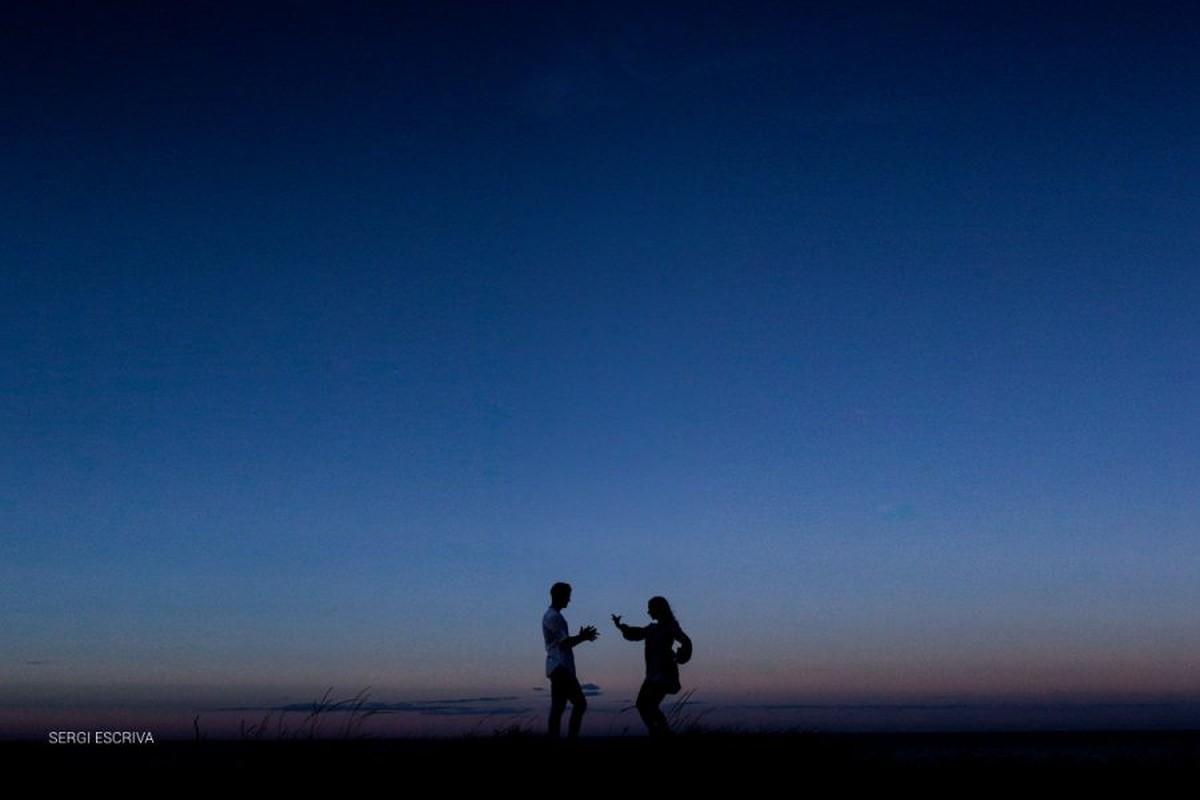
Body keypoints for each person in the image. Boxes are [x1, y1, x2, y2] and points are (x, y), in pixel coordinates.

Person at [612, 596, 692, 736]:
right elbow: (636, 633)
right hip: (652, 675)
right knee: (644, 705)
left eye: (650, 609)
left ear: (658, 609)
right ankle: (659, 732)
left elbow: (685, 641)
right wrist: (620, 626)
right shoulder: (652, 628)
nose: (648, 612)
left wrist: (681, 655)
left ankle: (661, 733)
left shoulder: (671, 626)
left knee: (648, 705)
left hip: (664, 674)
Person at [543, 581, 598, 738]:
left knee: (558, 708)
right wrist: (583, 637)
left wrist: (581, 637)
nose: (569, 600)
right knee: (580, 704)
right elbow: (564, 643)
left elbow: (563, 643)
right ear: (560, 596)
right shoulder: (554, 617)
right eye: (567, 596)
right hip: (561, 668)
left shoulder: (552, 616)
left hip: (556, 668)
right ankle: (571, 741)